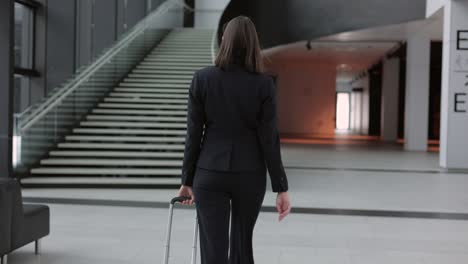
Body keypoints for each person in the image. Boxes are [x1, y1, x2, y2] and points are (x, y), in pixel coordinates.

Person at [177, 15, 291, 264]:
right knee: (242, 247)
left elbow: (193, 134)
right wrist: (280, 186)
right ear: (254, 44)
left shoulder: (202, 79)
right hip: (249, 174)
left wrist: (187, 180)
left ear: (223, 41)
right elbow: (269, 139)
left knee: (213, 252)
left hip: (209, 172)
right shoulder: (264, 85)